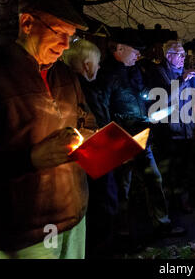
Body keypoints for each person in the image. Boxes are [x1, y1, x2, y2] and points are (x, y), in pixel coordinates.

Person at [0, 0, 96, 259]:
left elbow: (86, 120)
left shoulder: (65, 74)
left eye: (72, 35)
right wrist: (30, 159)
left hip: (75, 219)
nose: (67, 45)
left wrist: (97, 142)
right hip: (26, 233)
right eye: (59, 32)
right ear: (27, 23)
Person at [97, 32, 185, 240]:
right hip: (120, 139)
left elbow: (143, 97)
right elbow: (102, 109)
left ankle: (161, 225)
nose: (138, 55)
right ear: (120, 49)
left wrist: (152, 113)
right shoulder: (108, 75)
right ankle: (122, 232)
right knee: (122, 187)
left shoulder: (134, 71)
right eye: (135, 51)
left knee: (153, 179)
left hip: (140, 134)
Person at [61, 39, 118, 258]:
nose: (100, 67)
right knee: (101, 219)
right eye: (97, 62)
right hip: (94, 168)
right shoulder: (82, 92)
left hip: (95, 166)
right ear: (86, 65)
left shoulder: (78, 88)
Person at [147, 40, 195, 213]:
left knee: (185, 169)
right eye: (180, 54)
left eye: (184, 54)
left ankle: (182, 201)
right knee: (168, 171)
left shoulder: (184, 74)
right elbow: (163, 99)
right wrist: (182, 81)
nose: (184, 58)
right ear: (169, 55)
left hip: (186, 130)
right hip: (168, 132)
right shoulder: (158, 73)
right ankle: (167, 205)